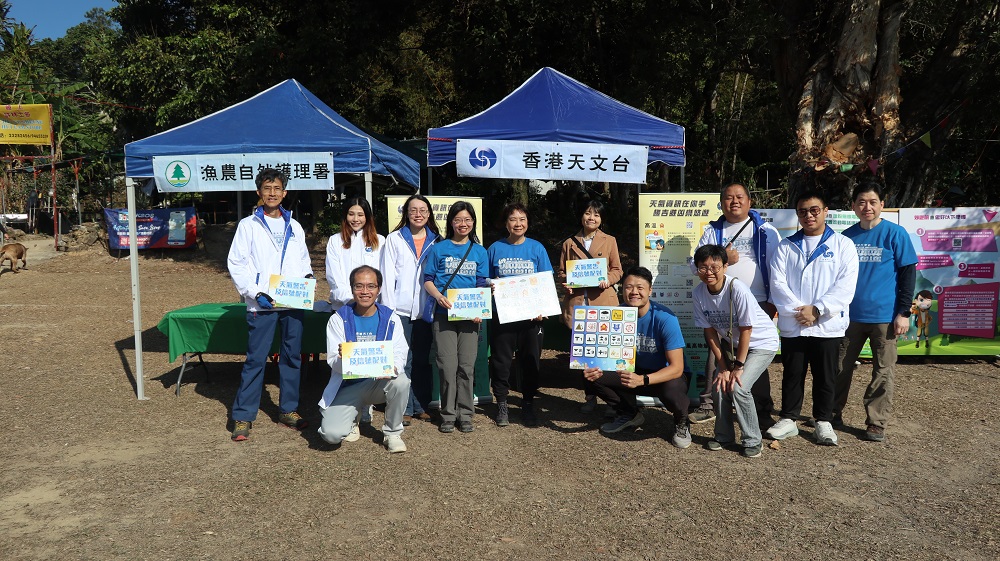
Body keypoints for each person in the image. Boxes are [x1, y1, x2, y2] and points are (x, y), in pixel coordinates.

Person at [226, 168, 315, 442]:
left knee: (291, 357)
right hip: (262, 303)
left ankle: (288, 409)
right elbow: (236, 264)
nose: (273, 193)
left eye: (277, 188)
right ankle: (243, 415)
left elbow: (303, 260)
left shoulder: (295, 226)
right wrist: (254, 292)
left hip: (292, 303)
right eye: (267, 188)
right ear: (259, 192)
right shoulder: (248, 225)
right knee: (255, 359)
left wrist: (308, 278)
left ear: (284, 193)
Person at [767, 190, 858, 446]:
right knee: (792, 373)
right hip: (795, 322)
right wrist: (801, 310)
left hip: (827, 325)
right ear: (798, 214)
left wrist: (817, 310)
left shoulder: (843, 245)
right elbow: (778, 283)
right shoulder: (786, 246)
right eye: (803, 211)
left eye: (814, 210)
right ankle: (788, 419)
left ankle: (823, 421)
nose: (809, 216)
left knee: (825, 375)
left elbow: (845, 286)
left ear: (826, 211)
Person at [691, 183, 781, 426]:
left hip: (758, 302)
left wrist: (773, 303)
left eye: (739, 197)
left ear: (750, 202)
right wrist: (722, 256)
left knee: (754, 359)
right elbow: (694, 264)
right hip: (721, 302)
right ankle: (710, 405)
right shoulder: (712, 230)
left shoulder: (765, 230)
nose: (734, 202)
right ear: (721, 203)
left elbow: (777, 268)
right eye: (728, 198)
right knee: (716, 356)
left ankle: (762, 409)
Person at [834, 183, 917, 443]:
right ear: (853, 206)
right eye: (861, 202)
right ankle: (830, 413)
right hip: (849, 317)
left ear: (882, 204)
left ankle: (876, 422)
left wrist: (903, 312)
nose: (867, 207)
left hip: (885, 317)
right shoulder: (845, 237)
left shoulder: (896, 233)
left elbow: (907, 275)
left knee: (883, 371)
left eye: (872, 202)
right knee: (839, 367)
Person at [583, 266, 692, 449]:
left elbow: (677, 368)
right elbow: (607, 355)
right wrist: (596, 367)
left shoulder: (665, 318)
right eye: (628, 287)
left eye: (640, 288)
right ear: (621, 289)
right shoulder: (616, 315)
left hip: (664, 376)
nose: (634, 292)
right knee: (591, 375)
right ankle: (629, 413)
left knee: (672, 391)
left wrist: (642, 380)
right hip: (633, 372)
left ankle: (682, 421)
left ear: (650, 290)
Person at [692, 245, 779, 458]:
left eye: (715, 267)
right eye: (703, 267)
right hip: (733, 345)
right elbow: (710, 333)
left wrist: (738, 367)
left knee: (739, 387)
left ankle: (752, 440)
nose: (709, 272)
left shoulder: (736, 288)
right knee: (720, 384)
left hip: (762, 343)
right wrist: (723, 367)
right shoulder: (698, 293)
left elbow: (747, 329)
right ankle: (723, 436)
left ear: (725, 266)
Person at [318, 265, 411, 453]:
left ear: (378, 289)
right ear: (352, 289)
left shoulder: (390, 318)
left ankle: (393, 433)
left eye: (371, 286)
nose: (365, 292)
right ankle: (355, 416)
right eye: (359, 286)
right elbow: (332, 361)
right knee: (331, 436)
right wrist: (344, 359)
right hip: (349, 385)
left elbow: (401, 352)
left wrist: (392, 368)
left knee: (401, 382)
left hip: (378, 383)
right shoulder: (338, 318)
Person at [422, 201, 489, 434]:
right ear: (451, 222)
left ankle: (466, 414)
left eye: (468, 220)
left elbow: (482, 284)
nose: (463, 224)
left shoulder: (479, 251)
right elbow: (427, 279)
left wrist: (480, 310)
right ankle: (448, 414)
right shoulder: (439, 249)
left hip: (470, 318)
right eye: (459, 219)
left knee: (466, 367)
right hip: (443, 315)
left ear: (473, 223)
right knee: (447, 366)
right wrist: (438, 297)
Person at [487, 203, 553, 427]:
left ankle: (527, 403)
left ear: (528, 223)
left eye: (522, 219)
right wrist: (490, 286)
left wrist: (542, 309)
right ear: (506, 223)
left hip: (531, 318)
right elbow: (484, 279)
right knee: (501, 361)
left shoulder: (537, 248)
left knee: (530, 360)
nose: (518, 223)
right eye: (513, 219)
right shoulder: (495, 248)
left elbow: (546, 281)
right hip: (502, 315)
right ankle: (502, 403)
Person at [380, 194, 442, 426]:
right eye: (413, 210)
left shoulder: (437, 241)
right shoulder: (394, 239)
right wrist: (389, 310)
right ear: (406, 213)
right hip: (401, 309)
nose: (418, 214)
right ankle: (403, 407)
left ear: (429, 214)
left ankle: (421, 405)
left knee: (423, 359)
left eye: (423, 210)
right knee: (402, 359)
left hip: (427, 310)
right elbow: (386, 276)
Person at [559, 199, 623, 414]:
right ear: (581, 216)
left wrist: (609, 279)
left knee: (605, 352)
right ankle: (589, 396)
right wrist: (566, 284)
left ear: (601, 219)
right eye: (588, 213)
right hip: (578, 303)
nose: (591, 218)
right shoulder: (569, 242)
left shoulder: (609, 240)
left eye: (596, 214)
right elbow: (561, 272)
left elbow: (617, 269)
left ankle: (611, 400)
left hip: (602, 301)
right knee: (583, 354)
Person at [326, 197, 385, 310]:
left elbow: (381, 274)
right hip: (343, 306)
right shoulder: (335, 240)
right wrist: (350, 300)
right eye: (351, 214)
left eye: (360, 215)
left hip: (371, 306)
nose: (355, 219)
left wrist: (368, 299)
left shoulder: (380, 240)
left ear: (367, 217)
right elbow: (333, 275)